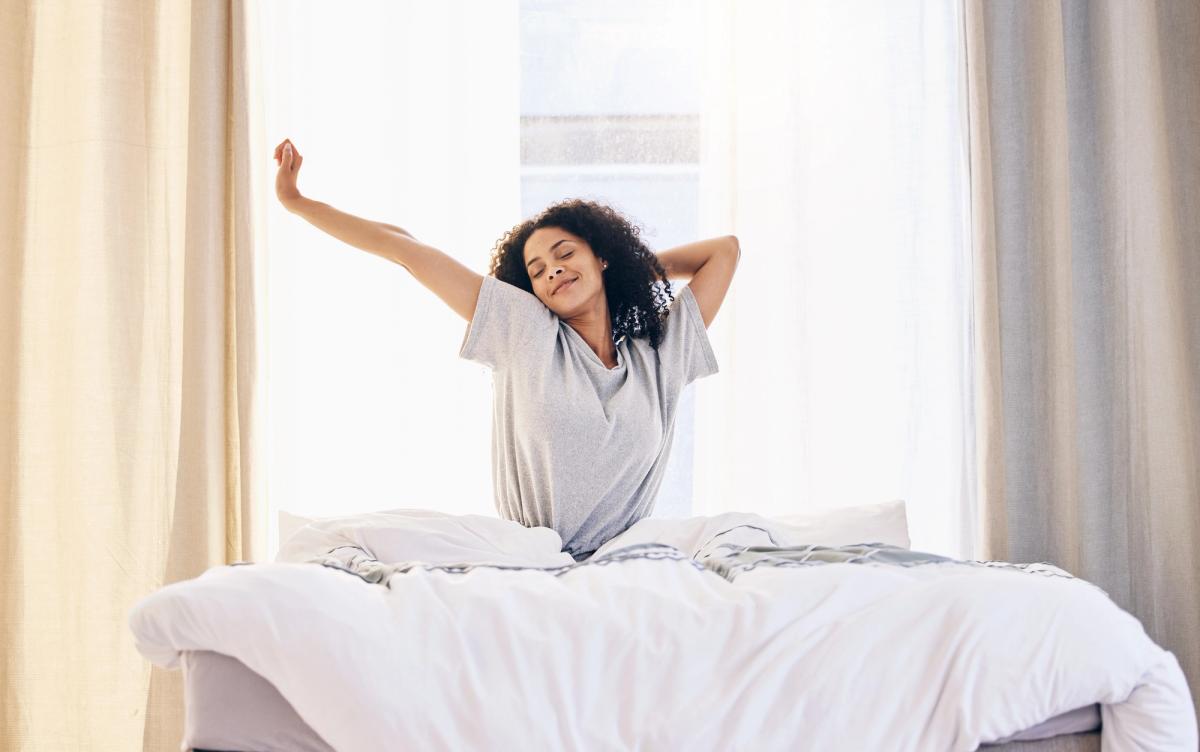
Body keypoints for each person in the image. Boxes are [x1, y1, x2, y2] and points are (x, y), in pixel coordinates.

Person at [272, 138, 740, 560]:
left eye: (565, 253)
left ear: (600, 255)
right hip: (530, 560)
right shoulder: (527, 330)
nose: (552, 271)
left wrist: (624, 269)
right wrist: (297, 202)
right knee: (343, 542)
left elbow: (725, 250)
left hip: (622, 565)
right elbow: (407, 251)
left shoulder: (658, 357)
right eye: (537, 271)